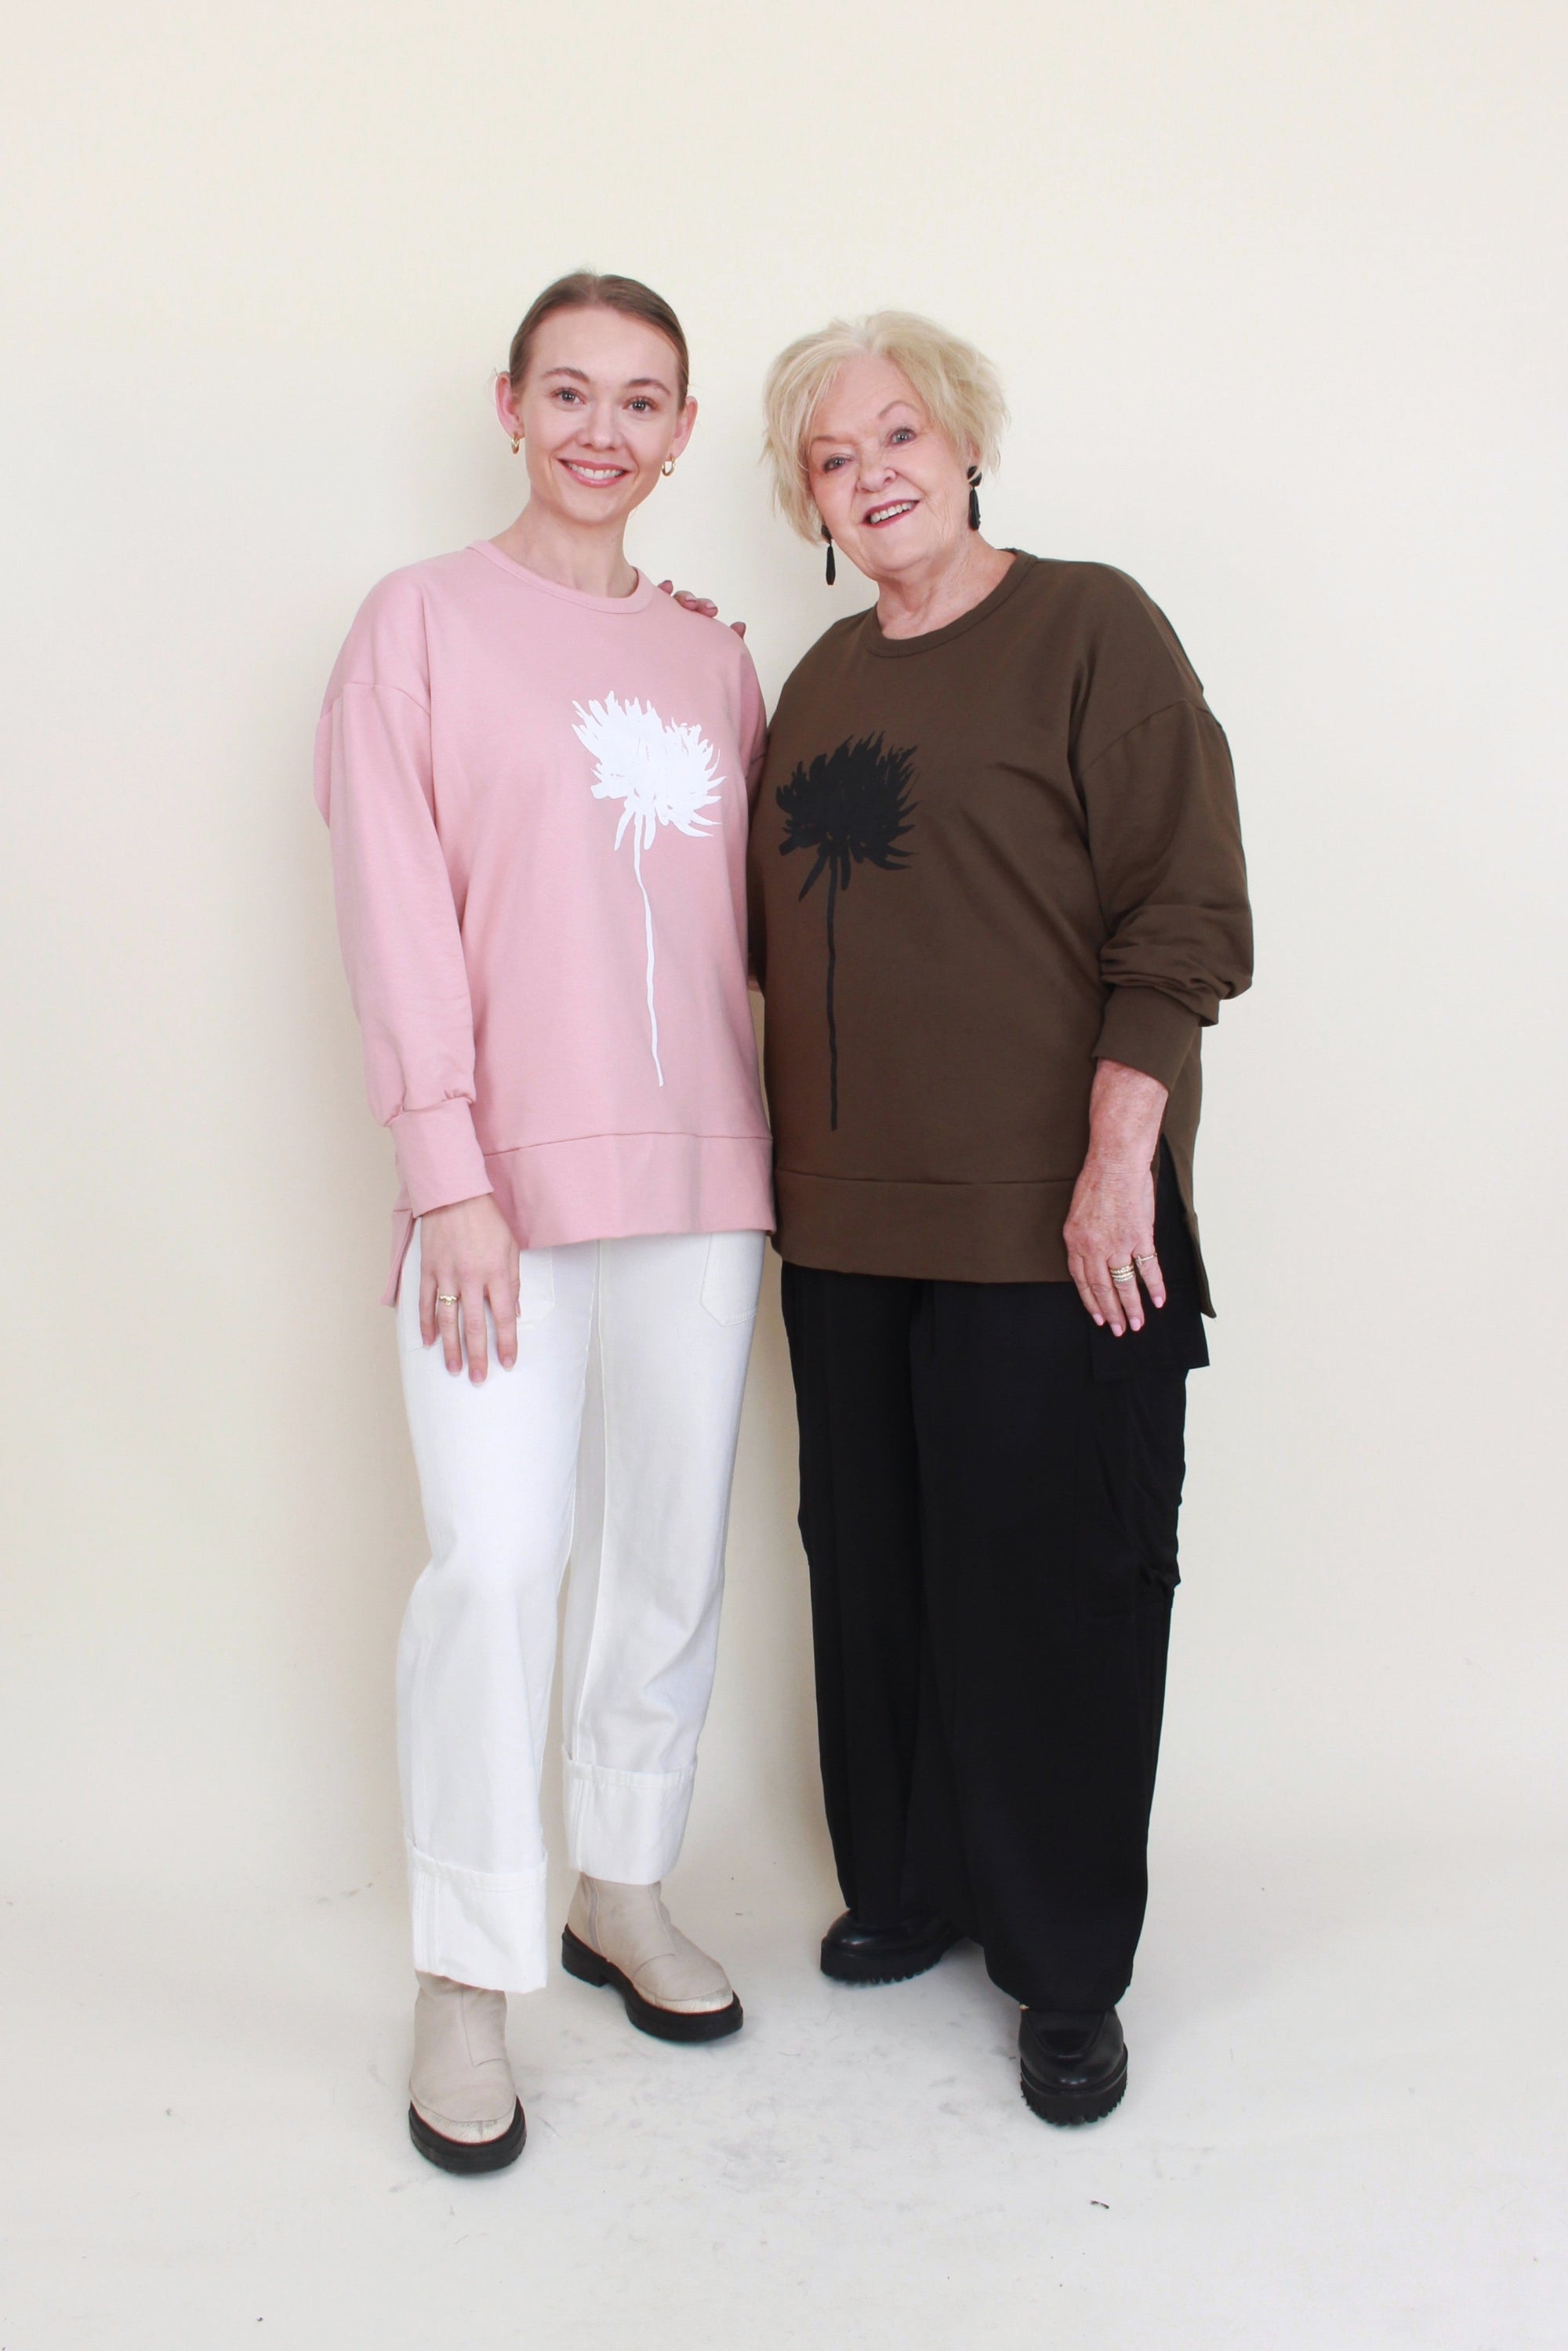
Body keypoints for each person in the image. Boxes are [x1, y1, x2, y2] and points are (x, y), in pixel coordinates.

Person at [748, 311, 1252, 2124]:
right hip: (840, 1226)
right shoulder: (813, 682)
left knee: (1057, 1591)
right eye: (831, 456)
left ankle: (1064, 1966)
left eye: (899, 433)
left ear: (967, 444)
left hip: (1053, 1222)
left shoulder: (1091, 627)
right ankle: (909, 1882)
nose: (871, 472)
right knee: (873, 1570)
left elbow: (1182, 910)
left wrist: (1120, 1157)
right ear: (807, 502)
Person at [315, 273, 772, 2174]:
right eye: (568, 390)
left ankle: (621, 1882)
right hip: (493, 1191)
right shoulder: (416, 625)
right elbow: (394, 905)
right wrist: (448, 1175)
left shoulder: (715, 658)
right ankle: (464, 1965)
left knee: (665, 1552)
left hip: (707, 1177)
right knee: (498, 1565)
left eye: (640, 399)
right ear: (509, 405)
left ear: (682, 433)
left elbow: (752, 930)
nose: (602, 427)